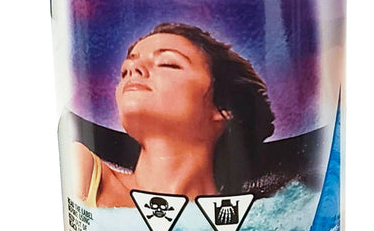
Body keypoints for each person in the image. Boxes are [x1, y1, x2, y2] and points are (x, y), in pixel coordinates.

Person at [75, 22, 275, 207]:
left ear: (223, 107)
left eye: (167, 63)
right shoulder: (85, 170)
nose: (133, 69)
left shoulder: (260, 212)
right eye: (125, 71)